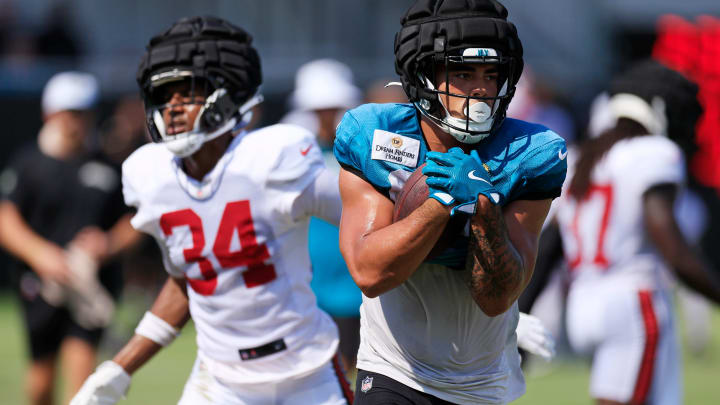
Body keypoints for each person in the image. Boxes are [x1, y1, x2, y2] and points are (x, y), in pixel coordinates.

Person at [70, 16, 352, 405]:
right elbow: (190, 279)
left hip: (306, 374)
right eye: (164, 95)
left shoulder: (275, 157)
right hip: (219, 382)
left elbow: (369, 221)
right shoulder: (150, 175)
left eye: (186, 93)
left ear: (227, 95)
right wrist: (120, 367)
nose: (172, 107)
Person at [334, 1, 566, 403]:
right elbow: (370, 274)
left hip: (484, 382)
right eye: (462, 73)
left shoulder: (531, 152)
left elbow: (496, 297)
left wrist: (485, 205)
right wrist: (441, 201)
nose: (480, 89)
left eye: (491, 74)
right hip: (393, 369)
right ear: (422, 74)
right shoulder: (376, 135)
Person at [556, 60, 720, 405]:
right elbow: (669, 241)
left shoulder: (579, 158)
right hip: (631, 301)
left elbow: (550, 244)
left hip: (582, 303)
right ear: (658, 108)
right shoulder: (651, 152)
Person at [0, 71, 138, 405]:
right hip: (41, 284)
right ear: (51, 114)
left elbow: (135, 220)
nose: (79, 121)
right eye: (71, 112)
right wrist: (40, 255)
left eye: (85, 112)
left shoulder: (108, 166)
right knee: (41, 381)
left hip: (89, 285)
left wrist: (108, 244)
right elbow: (7, 219)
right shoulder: (29, 165)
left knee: (81, 378)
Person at [282, 58, 365, 371]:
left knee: (359, 367)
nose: (326, 118)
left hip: (359, 277)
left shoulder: (365, 153)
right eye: (319, 110)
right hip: (310, 278)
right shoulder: (294, 155)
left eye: (333, 108)